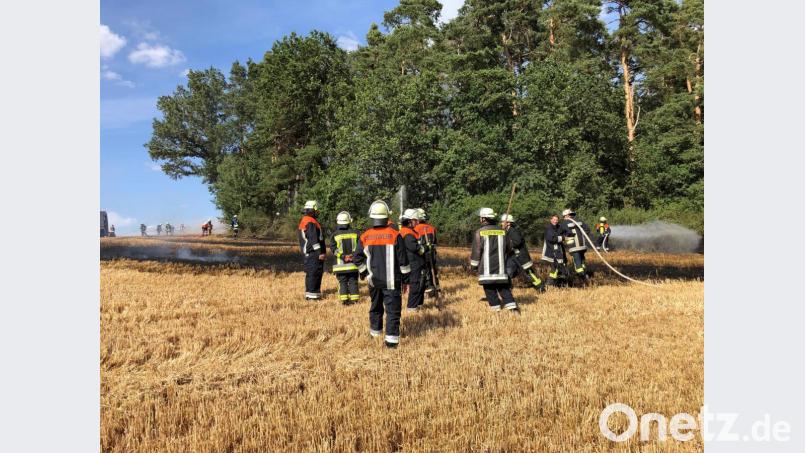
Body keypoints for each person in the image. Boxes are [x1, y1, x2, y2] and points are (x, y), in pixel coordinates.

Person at [353, 200, 411, 348]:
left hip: (373, 281)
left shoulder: (365, 236)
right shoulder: (395, 235)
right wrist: (406, 280)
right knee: (392, 311)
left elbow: (357, 258)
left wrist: (365, 273)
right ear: (387, 217)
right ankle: (391, 342)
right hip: (391, 282)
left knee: (375, 307)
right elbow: (403, 262)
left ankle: (375, 334)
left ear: (372, 217)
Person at [470, 208, 519, 313]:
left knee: (489, 289)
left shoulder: (479, 232)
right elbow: (510, 248)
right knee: (504, 288)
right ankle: (513, 309)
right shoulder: (502, 231)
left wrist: (474, 265)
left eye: (480, 217)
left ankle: (496, 310)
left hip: (486, 269)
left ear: (484, 219)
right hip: (501, 268)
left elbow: (476, 251)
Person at [500, 214, 544, 292]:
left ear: (508, 223)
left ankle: (540, 287)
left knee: (529, 273)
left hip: (521, 256)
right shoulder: (505, 232)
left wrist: (507, 245)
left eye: (503, 222)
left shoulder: (513, 231)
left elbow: (517, 242)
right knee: (508, 272)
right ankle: (507, 289)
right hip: (512, 257)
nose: (501, 223)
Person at [330, 211, 361, 305]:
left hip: (340, 266)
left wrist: (343, 256)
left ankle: (344, 301)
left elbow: (333, 250)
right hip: (353, 264)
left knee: (342, 282)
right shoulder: (356, 233)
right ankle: (354, 300)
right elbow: (360, 247)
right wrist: (353, 255)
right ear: (349, 221)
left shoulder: (335, 235)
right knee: (353, 281)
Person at [298, 201, 325, 300]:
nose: (318, 212)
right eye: (316, 210)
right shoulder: (310, 221)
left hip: (312, 253)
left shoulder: (309, 220)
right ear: (312, 210)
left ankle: (314, 294)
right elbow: (313, 239)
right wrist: (319, 253)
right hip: (313, 253)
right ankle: (311, 296)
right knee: (313, 274)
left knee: (315, 273)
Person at [400, 209, 426, 311]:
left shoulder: (410, 231)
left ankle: (418, 305)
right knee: (415, 285)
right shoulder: (407, 233)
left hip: (416, 262)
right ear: (409, 221)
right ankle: (412, 307)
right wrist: (424, 249)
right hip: (413, 262)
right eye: (415, 220)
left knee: (420, 284)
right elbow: (415, 248)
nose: (417, 222)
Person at [560, 209, 591, 282]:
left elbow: (561, 233)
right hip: (582, 245)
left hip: (573, 246)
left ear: (566, 215)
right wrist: (581, 235)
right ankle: (584, 273)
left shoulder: (563, 223)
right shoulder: (579, 221)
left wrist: (564, 239)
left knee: (577, 262)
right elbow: (587, 230)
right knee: (582, 260)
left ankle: (582, 276)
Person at [414, 208, 439, 295]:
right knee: (433, 272)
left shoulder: (415, 229)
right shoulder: (432, 228)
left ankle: (428, 289)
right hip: (432, 254)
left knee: (425, 273)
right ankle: (436, 288)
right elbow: (435, 242)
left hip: (422, 255)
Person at [541, 215, 568, 287]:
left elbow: (565, 232)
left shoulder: (559, 227)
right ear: (551, 220)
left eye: (557, 220)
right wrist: (563, 238)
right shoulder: (548, 228)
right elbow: (551, 239)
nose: (555, 221)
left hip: (558, 251)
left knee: (558, 268)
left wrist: (568, 235)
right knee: (555, 268)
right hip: (551, 251)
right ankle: (549, 284)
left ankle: (557, 284)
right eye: (554, 219)